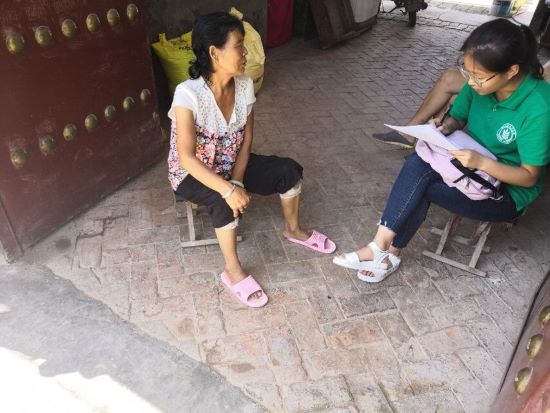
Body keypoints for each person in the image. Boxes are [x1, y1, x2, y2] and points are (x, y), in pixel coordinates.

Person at [333, 19, 550, 283]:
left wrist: (481, 163)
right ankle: (382, 249)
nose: (471, 82)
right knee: (417, 164)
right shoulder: (477, 85)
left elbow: (529, 177)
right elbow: (457, 118)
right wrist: (443, 126)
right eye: (467, 72)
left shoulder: (539, 107)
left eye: (479, 77)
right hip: (467, 168)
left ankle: (386, 252)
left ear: (511, 71)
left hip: (504, 194)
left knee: (420, 184)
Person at [168, 12, 336, 308]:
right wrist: (228, 190)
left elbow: (245, 140)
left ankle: (293, 229)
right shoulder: (188, 95)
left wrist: (236, 179)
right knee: (222, 202)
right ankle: (232, 271)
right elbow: (187, 158)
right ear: (214, 52)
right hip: (192, 174)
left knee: (288, 171)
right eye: (239, 46)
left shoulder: (244, 85)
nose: (246, 53)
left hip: (230, 163)